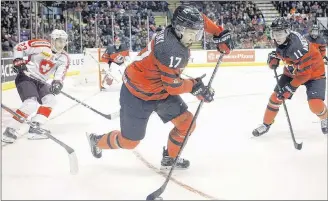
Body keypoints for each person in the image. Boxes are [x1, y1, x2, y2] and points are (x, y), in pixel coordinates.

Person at [86, 5, 234, 170]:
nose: (196, 37)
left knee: (187, 123)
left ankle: (170, 158)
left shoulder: (178, 33)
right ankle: (96, 140)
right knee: (130, 142)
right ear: (179, 29)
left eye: (197, 32)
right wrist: (195, 86)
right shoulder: (171, 50)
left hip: (159, 89)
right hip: (137, 93)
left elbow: (199, 19)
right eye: (192, 33)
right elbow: (173, 87)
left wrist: (218, 32)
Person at [252, 17, 327, 136]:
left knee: (315, 104)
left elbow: (305, 74)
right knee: (275, 98)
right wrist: (274, 56)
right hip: (294, 70)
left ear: (287, 32)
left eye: (280, 33)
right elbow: (283, 52)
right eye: (274, 33)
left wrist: (290, 88)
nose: (277, 36)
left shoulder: (298, 48)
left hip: (314, 73)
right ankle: (266, 124)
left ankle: (325, 118)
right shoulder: (284, 38)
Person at [2, 29, 70, 143]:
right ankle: (10, 130)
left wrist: (57, 83)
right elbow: (19, 47)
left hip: (41, 82)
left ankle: (35, 127)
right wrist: (18, 60)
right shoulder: (41, 45)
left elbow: (60, 74)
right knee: (31, 104)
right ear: (53, 40)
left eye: (64, 41)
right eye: (59, 41)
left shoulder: (64, 57)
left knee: (51, 100)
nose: (62, 44)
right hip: (26, 77)